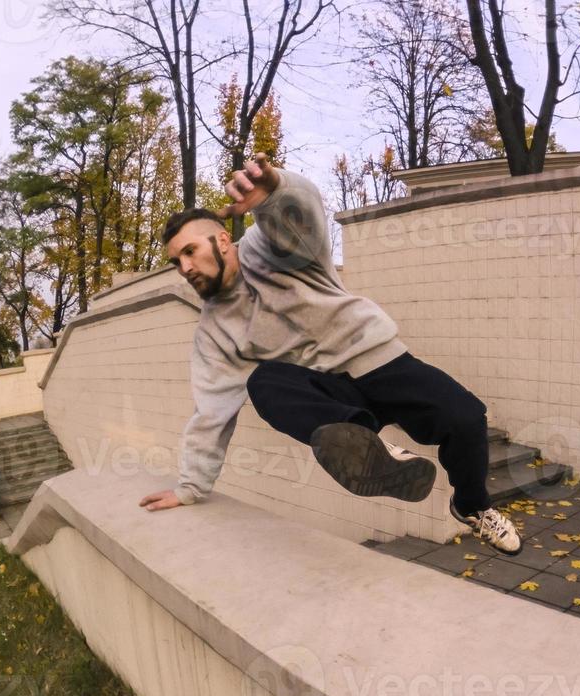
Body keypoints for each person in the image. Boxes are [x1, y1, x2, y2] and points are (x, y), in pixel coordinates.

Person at [136, 153, 522, 556]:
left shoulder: (269, 249)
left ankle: (472, 507)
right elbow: (210, 413)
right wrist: (191, 488)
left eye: (189, 252)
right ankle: (366, 445)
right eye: (176, 262)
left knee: (467, 418)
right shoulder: (213, 332)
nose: (184, 268)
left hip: (379, 362)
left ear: (220, 241)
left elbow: (301, 217)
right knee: (263, 382)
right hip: (332, 394)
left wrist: (275, 191)